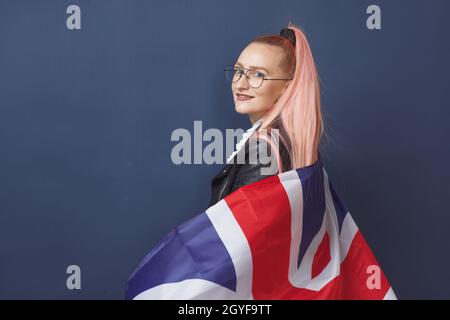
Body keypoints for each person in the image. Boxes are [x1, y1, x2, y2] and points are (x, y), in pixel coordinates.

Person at [209, 22, 324, 207]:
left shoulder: (264, 150)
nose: (240, 84)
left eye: (258, 75)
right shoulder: (289, 140)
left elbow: (239, 233)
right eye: (239, 71)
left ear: (287, 87)